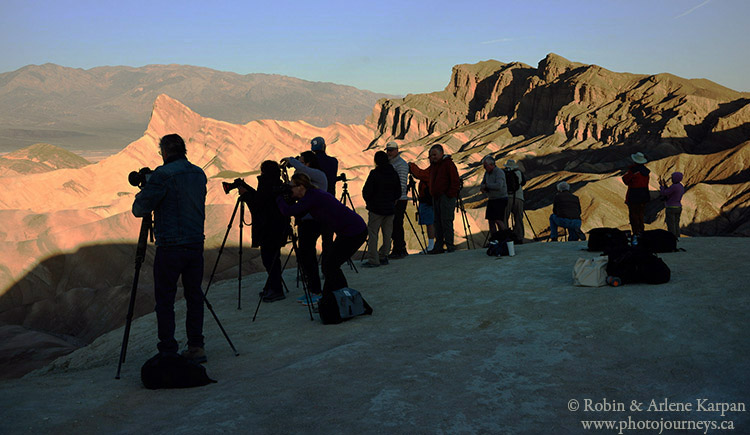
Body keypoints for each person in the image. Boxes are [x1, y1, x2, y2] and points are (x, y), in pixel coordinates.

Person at [132, 133, 208, 363]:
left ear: (164, 153)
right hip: (196, 244)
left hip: (171, 247)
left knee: (165, 300)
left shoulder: (163, 176)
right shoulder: (199, 173)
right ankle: (197, 346)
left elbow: (139, 208)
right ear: (183, 150)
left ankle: (168, 350)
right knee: (194, 296)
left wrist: (146, 187)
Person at [276, 173, 367, 294]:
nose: (289, 188)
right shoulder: (312, 194)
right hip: (351, 230)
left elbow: (288, 211)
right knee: (330, 265)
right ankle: (336, 296)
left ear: (301, 187)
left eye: (291, 186)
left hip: (353, 232)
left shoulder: (312, 197)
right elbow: (299, 213)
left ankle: (343, 297)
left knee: (331, 266)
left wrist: (278, 197)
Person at [237, 161, 291, 302]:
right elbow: (263, 199)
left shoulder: (266, 183)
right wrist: (248, 190)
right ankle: (272, 286)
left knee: (268, 259)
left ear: (263, 171)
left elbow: (257, 206)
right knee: (274, 258)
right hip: (279, 227)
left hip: (268, 229)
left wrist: (246, 195)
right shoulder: (277, 183)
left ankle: (276, 290)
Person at [281, 152, 328, 297]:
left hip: (313, 221)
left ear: (308, 163)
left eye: (301, 162)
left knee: (308, 256)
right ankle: (312, 287)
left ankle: (315, 290)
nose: (299, 165)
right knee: (305, 255)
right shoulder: (308, 179)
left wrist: (291, 160)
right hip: (305, 220)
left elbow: (305, 171)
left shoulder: (319, 176)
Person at [409, 144, 460, 254]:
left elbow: (455, 181)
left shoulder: (448, 164)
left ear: (441, 154)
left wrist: (449, 194)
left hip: (445, 197)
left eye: (435, 155)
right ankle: (439, 246)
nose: (432, 157)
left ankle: (450, 246)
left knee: (446, 221)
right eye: (430, 155)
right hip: (436, 197)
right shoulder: (434, 166)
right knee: (437, 222)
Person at [361, 151, 402, 267]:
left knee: (373, 234)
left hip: (376, 209)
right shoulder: (393, 173)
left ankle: (373, 260)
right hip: (390, 209)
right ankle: (384, 256)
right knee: (387, 234)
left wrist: (369, 202)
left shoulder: (374, 173)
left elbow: (366, 191)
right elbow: (398, 192)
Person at [311, 137, 339, 268]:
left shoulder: (311, 164)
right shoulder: (333, 162)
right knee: (327, 239)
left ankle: (310, 270)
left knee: (309, 241)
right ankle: (328, 267)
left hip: (314, 205)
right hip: (330, 204)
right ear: (324, 147)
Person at [385, 141, 409, 259]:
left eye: (391, 150)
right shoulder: (390, 163)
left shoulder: (402, 164)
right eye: (388, 150)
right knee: (393, 225)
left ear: (397, 150)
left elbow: (402, 184)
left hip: (399, 200)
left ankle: (399, 249)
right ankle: (399, 248)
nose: (389, 152)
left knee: (397, 224)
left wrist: (395, 198)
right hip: (392, 199)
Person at [622, 152, 651, 236]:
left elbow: (625, 180)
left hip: (634, 195)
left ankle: (636, 234)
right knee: (641, 215)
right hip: (644, 195)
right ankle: (641, 232)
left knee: (633, 216)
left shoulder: (634, 171)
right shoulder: (646, 172)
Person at [480, 155, 508, 235]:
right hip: (491, 199)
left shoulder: (499, 172)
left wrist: (486, 186)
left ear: (492, 165)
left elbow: (499, 185)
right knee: (491, 220)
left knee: (498, 220)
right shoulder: (487, 173)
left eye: (485, 166)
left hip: (500, 199)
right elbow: (483, 183)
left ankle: (504, 237)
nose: (484, 168)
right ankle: (495, 239)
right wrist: (483, 187)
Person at [504, 159, 525, 242]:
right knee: (518, 217)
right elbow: (523, 183)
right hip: (518, 197)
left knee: (504, 218)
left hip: (507, 197)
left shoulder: (504, 174)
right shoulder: (519, 173)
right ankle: (519, 237)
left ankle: (505, 236)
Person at [659, 171, 685, 239]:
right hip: (678, 207)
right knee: (676, 224)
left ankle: (672, 238)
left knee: (671, 224)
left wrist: (662, 187)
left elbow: (664, 193)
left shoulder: (674, 186)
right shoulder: (681, 186)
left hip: (671, 207)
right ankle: (678, 237)